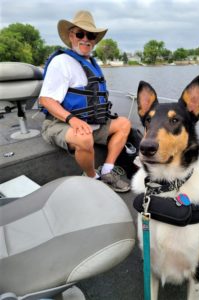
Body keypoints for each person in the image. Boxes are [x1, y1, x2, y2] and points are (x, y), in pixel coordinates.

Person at [39, 10, 131, 192]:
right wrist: (72, 120)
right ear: (71, 36)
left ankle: (107, 170)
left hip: (93, 123)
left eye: (91, 35)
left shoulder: (92, 63)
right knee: (84, 137)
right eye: (80, 34)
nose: (86, 39)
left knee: (124, 124)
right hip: (59, 124)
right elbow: (46, 100)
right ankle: (92, 177)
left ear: (95, 39)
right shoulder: (61, 62)